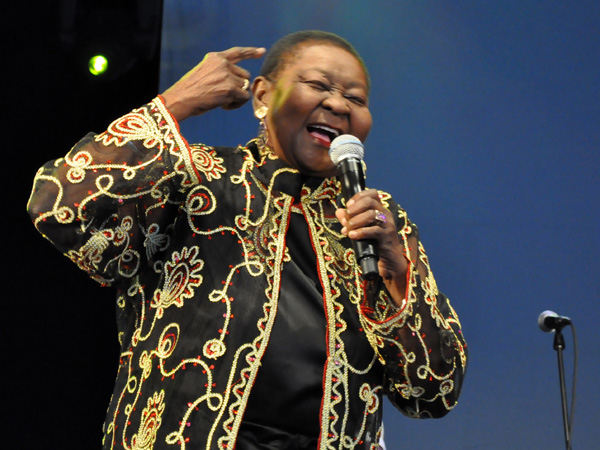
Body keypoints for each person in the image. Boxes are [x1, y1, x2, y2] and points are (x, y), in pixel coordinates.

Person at [27, 30, 467, 449]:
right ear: (261, 95)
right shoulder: (197, 179)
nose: (337, 104)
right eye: (318, 85)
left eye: (356, 99)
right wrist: (174, 104)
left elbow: (434, 390)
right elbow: (59, 205)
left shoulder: (379, 222)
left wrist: (398, 272)